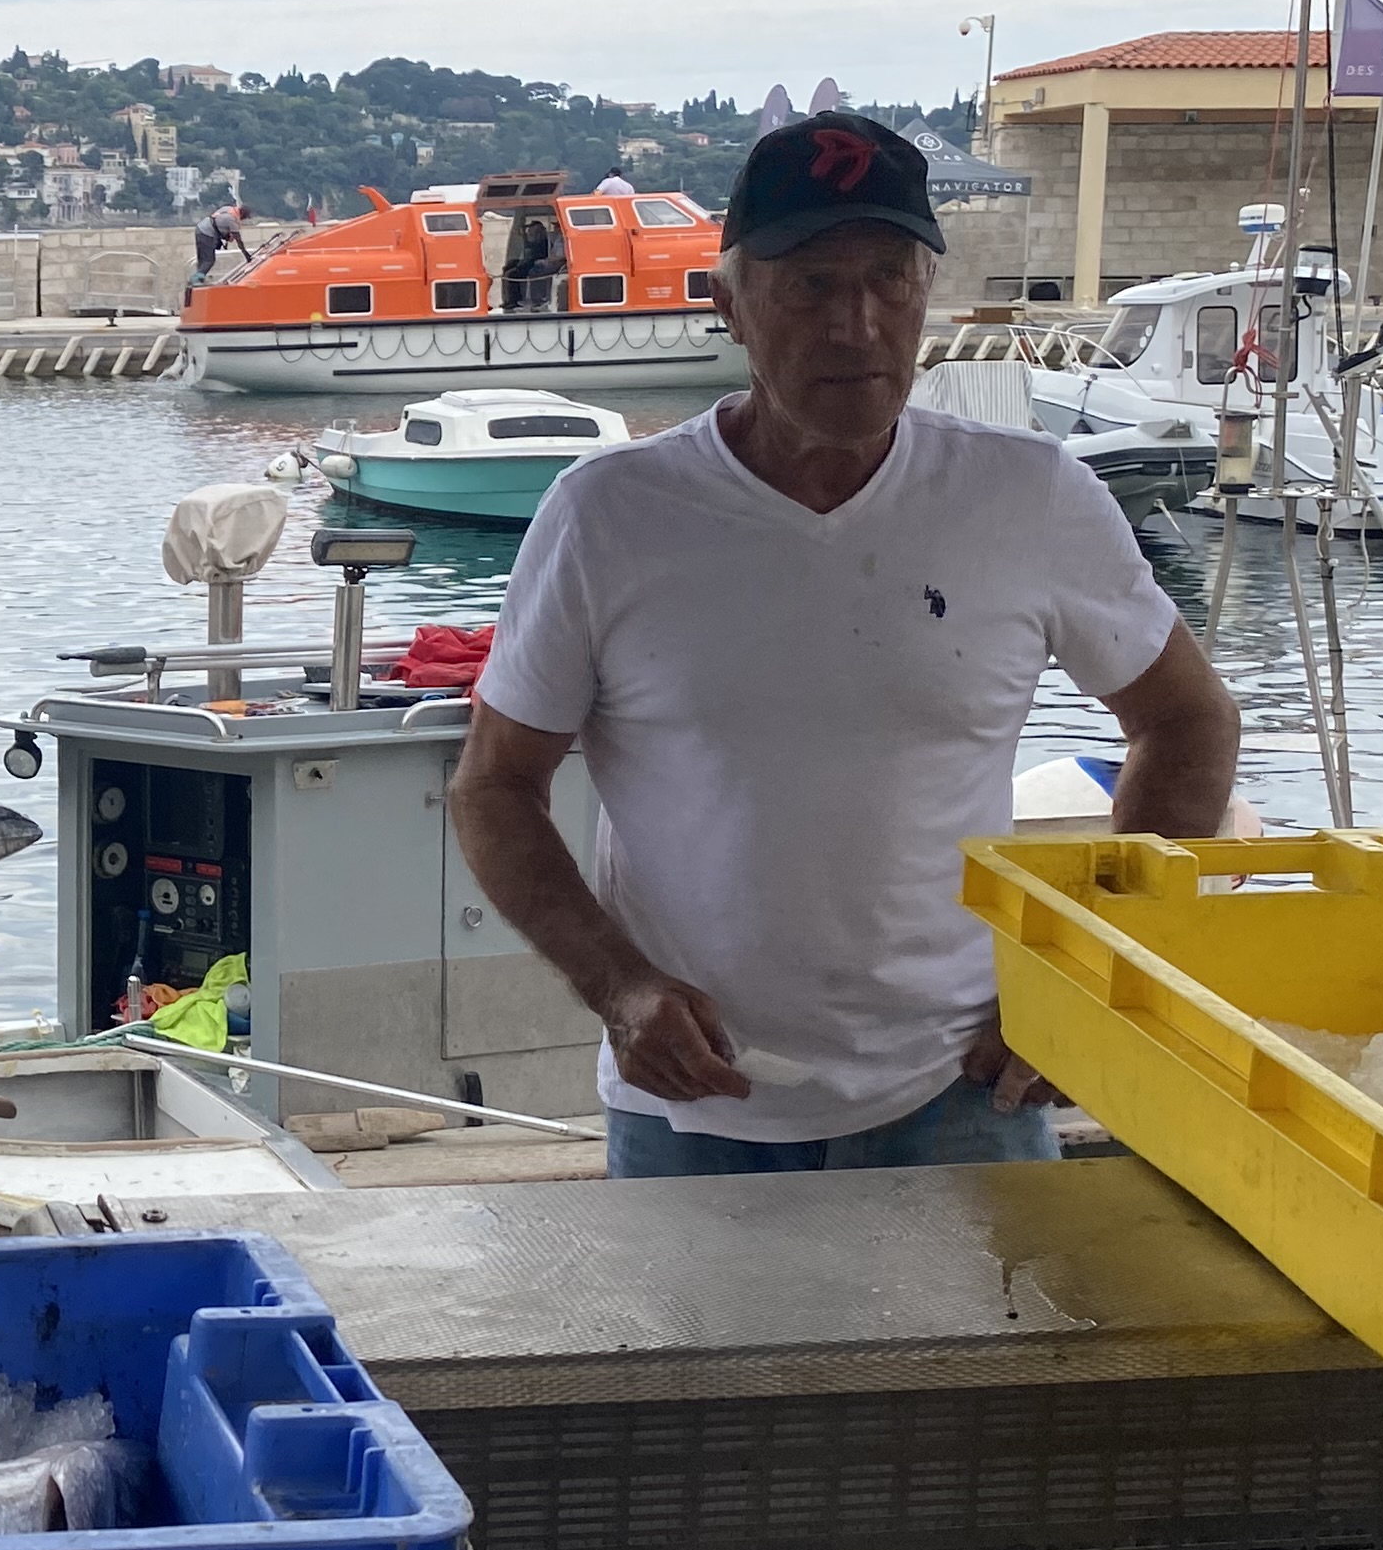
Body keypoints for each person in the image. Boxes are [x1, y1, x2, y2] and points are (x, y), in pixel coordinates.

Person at [449, 111, 1240, 1176]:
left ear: (927, 295)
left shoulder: (1030, 495)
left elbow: (1187, 723)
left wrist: (1091, 973)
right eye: (810, 286)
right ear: (729, 305)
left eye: (888, 280)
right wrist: (619, 988)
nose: (856, 325)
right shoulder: (609, 515)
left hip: (967, 1090)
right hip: (696, 1108)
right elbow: (495, 785)